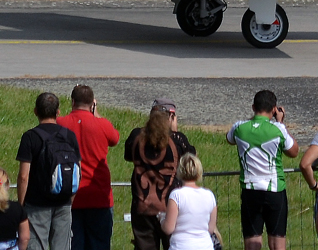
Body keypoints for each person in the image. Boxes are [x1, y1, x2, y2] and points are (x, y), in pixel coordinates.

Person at [226, 90, 298, 250]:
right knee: (277, 243)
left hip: (250, 191)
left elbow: (229, 139)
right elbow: (294, 151)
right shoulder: (278, 129)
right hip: (274, 190)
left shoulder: (239, 127)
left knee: (252, 243)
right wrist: (280, 123)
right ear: (274, 109)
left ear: (253, 107)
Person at [124, 101, 196, 250]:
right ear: (171, 117)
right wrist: (174, 132)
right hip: (170, 206)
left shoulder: (136, 136)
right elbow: (191, 159)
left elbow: (128, 156)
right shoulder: (177, 140)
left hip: (142, 204)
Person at [56, 86, 119, 250]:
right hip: (99, 195)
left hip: (70, 195)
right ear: (92, 104)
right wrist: (96, 114)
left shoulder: (61, 123)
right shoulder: (102, 124)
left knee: (73, 244)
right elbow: (114, 139)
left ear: (72, 102)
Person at [16, 93, 81, 250]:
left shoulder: (30, 137)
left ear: (35, 111)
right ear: (58, 112)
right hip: (63, 202)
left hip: (36, 204)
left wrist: (21, 206)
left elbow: (24, 176)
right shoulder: (69, 136)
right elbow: (78, 172)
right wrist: (70, 199)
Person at [160, 155, 217, 250]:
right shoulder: (209, 195)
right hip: (205, 246)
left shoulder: (176, 195)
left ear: (179, 171)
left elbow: (169, 228)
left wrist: (162, 219)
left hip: (181, 246)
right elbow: (210, 229)